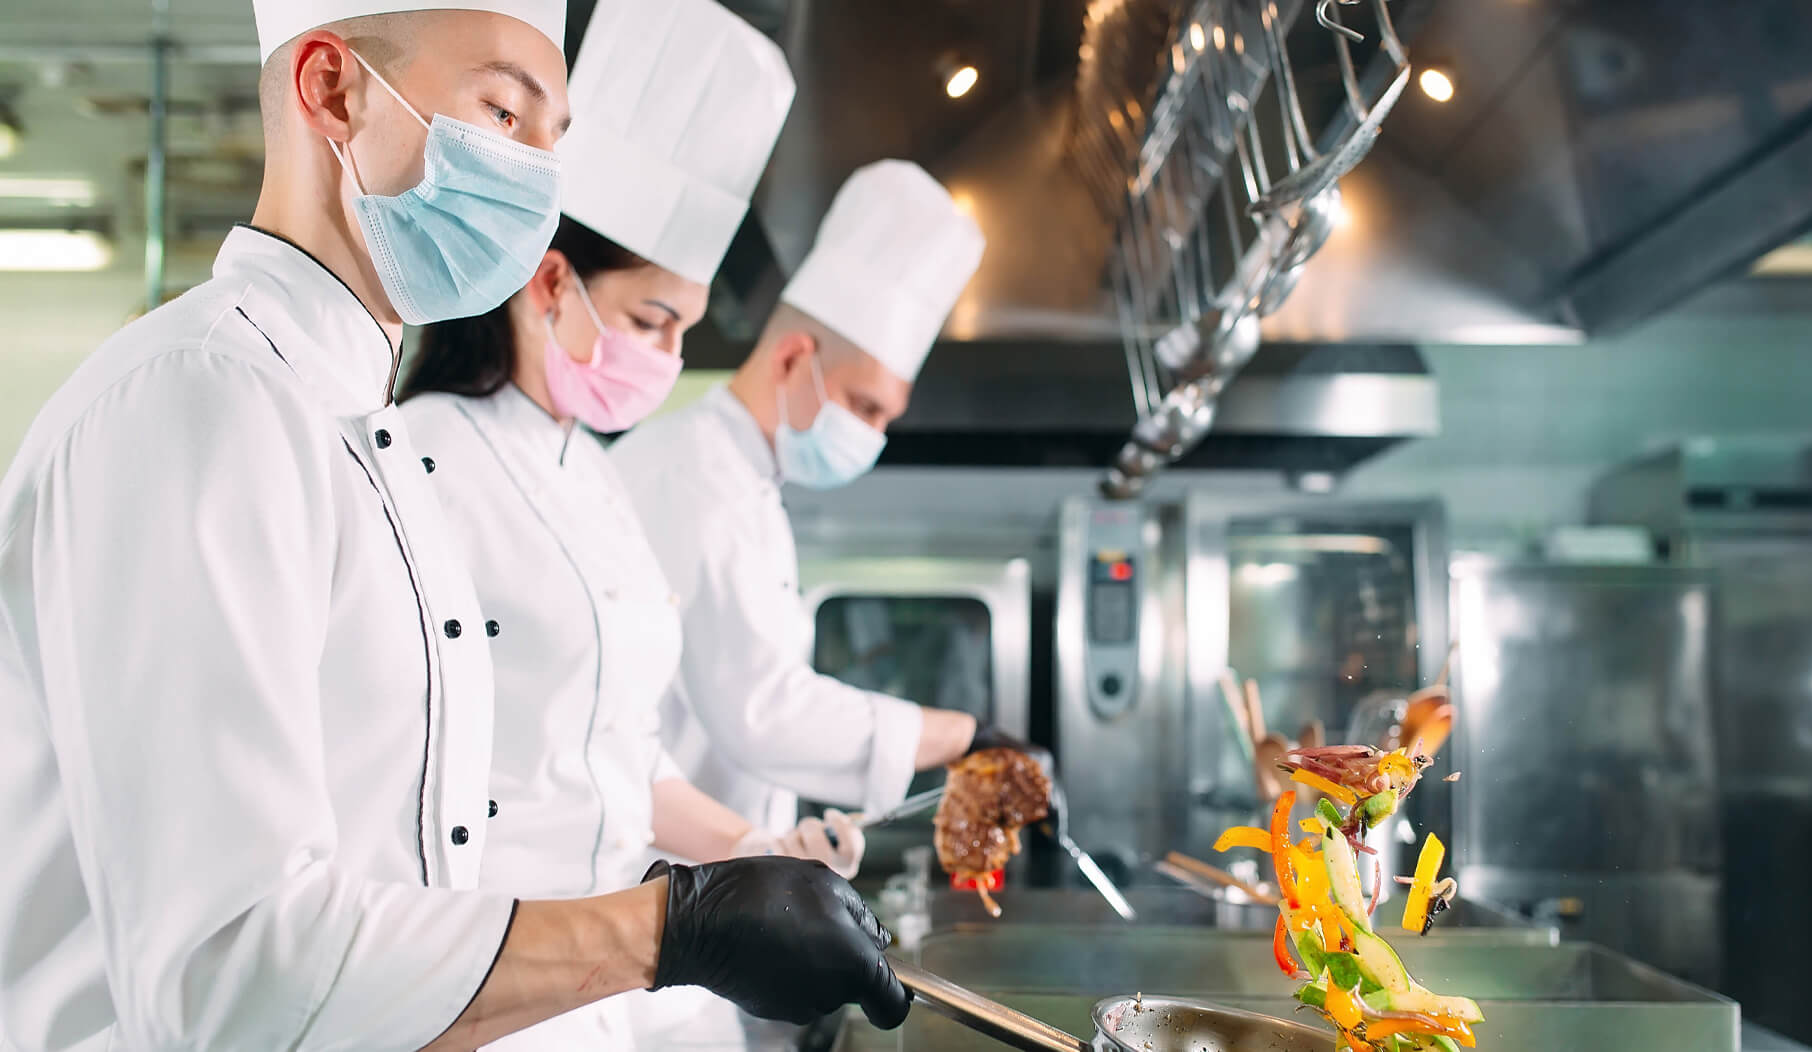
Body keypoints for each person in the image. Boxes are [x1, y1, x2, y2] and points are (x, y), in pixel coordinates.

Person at [0, 2, 907, 1049]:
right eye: (504, 116)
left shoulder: (360, 426)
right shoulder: (203, 397)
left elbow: (413, 868)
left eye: (553, 141)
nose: (536, 185)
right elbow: (231, 973)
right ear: (332, 90)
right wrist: (673, 928)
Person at [397, 2, 862, 1047]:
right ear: (552, 279)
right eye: (652, 321)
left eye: (685, 331)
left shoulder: (593, 475)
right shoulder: (425, 456)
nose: (665, 356)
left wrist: (759, 850)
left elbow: (625, 759)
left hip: (630, 980)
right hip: (495, 982)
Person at [610, 161, 1036, 840]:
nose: (871, 435)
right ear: (790, 360)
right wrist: (962, 733)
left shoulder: (748, 484)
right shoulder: (691, 477)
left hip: (713, 871)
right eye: (864, 405)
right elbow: (763, 712)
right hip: (655, 876)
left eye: (885, 418)